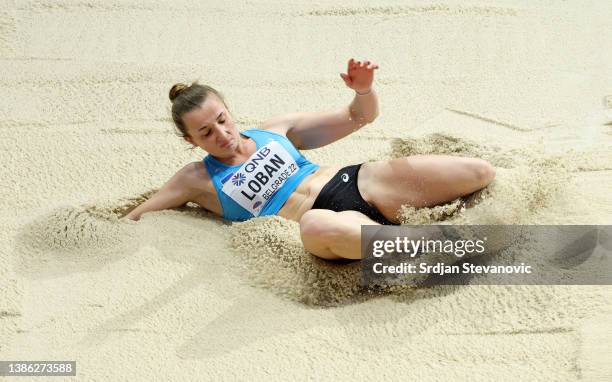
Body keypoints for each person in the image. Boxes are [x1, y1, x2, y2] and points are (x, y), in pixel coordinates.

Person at [123, 58, 495, 261]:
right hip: (328, 226)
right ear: (190, 141)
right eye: (205, 133)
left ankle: (401, 238)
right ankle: (431, 246)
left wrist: (364, 90)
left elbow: (357, 117)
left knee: (479, 172)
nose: (221, 135)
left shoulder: (276, 130)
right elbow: (137, 216)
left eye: (222, 120)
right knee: (316, 224)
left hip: (358, 183)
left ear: (228, 111)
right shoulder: (195, 179)